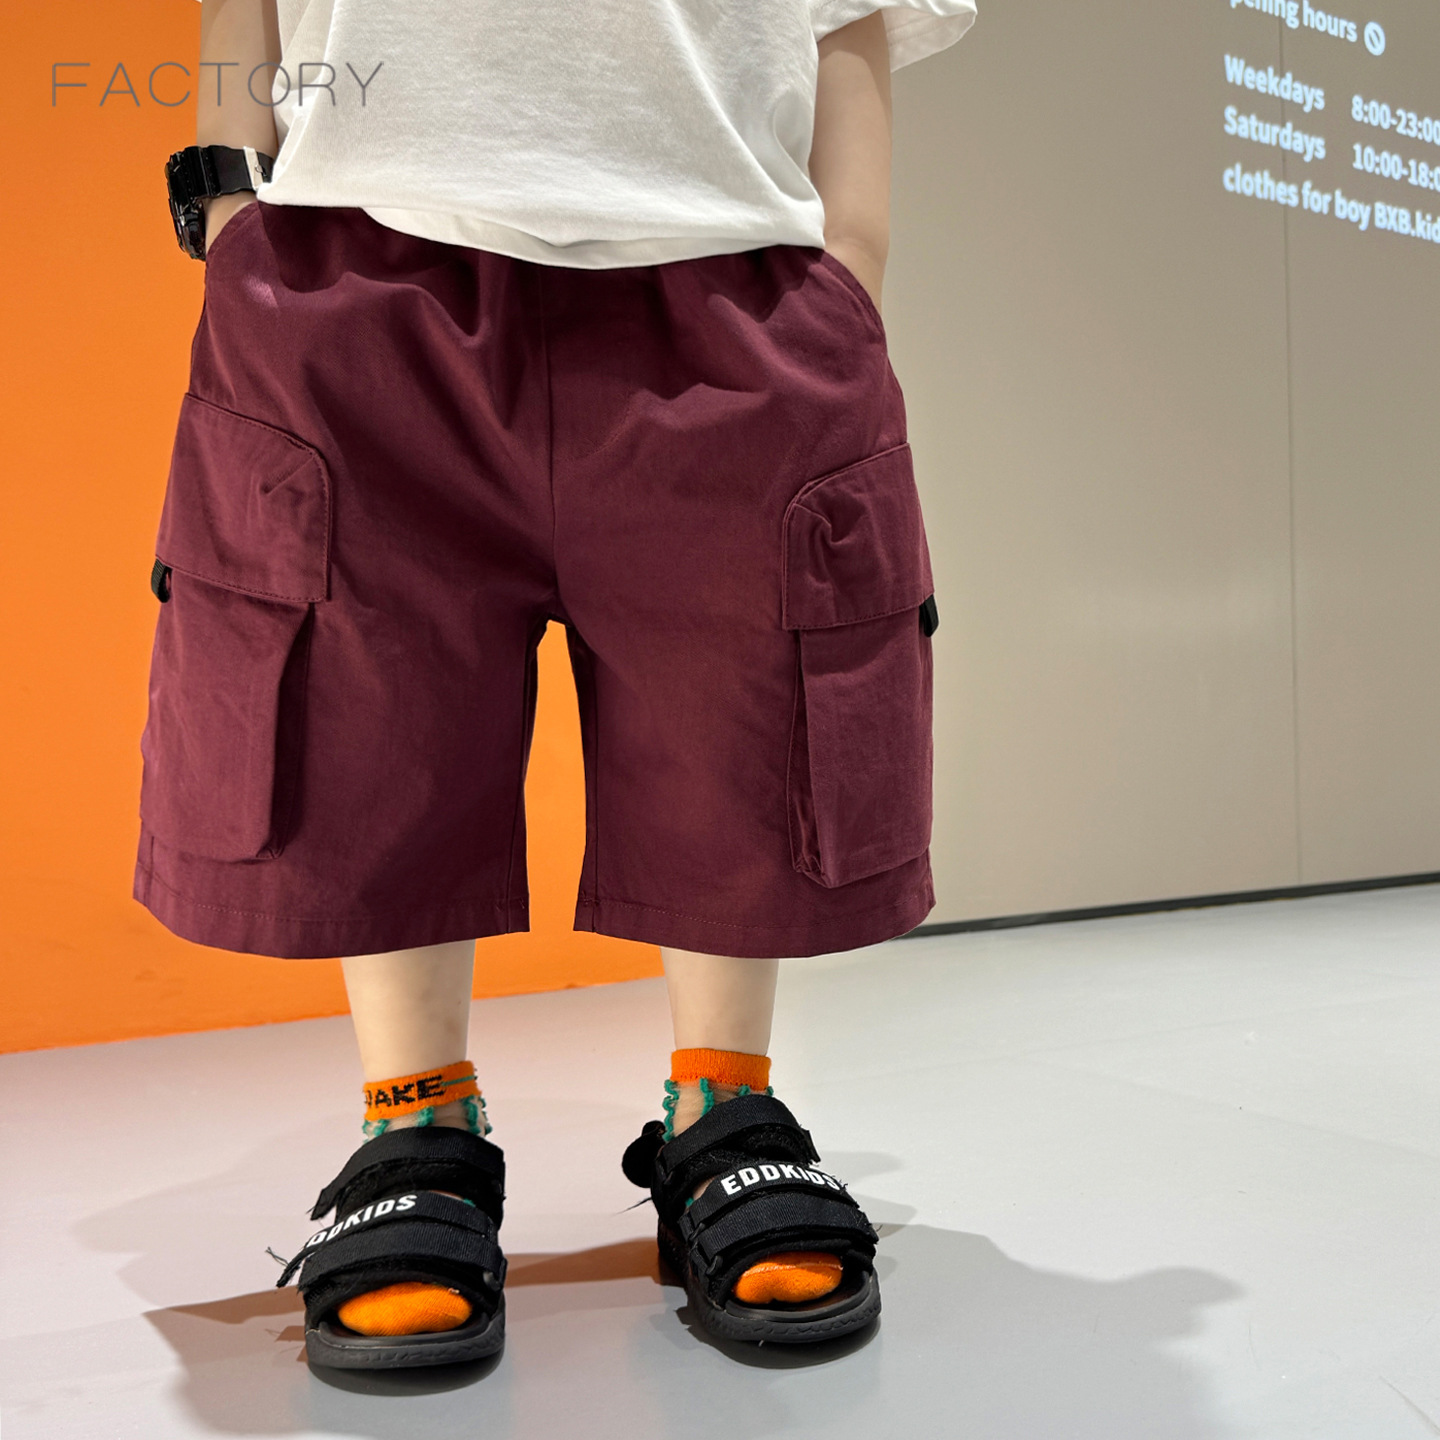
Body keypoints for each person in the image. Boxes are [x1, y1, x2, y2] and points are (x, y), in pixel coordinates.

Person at [139, 0, 974, 1368]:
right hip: (356, 274)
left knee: (745, 707)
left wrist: (849, 275)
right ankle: (414, 1122)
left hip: (732, 281)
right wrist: (232, 216)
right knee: (364, 706)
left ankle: (725, 1108)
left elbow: (851, 18)